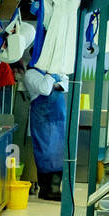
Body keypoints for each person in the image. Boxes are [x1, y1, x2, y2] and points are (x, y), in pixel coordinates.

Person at [18, 60, 68, 201]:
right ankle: (47, 189)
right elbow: (45, 89)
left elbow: (66, 84)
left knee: (58, 153)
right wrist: (52, 77)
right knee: (46, 153)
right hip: (43, 120)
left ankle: (56, 188)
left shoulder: (56, 70)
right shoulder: (31, 74)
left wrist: (55, 84)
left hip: (59, 119)